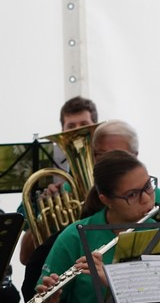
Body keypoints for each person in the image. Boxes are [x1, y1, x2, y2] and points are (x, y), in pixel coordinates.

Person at [26, 150, 160, 303]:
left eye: (148, 186)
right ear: (106, 200)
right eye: (132, 194)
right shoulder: (76, 236)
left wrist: (116, 283)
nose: (147, 198)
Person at [18, 96, 100, 265]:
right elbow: (25, 258)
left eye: (84, 125)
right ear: (62, 130)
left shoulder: (111, 180)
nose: (77, 132)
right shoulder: (43, 182)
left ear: (95, 129)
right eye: (71, 126)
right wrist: (45, 216)